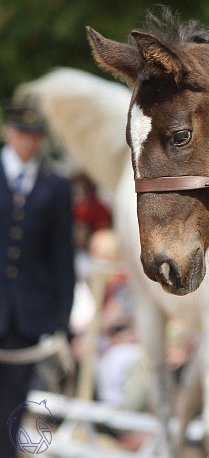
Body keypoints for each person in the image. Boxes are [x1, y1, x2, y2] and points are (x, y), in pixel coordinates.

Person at [0, 103, 74, 458]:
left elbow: (63, 257)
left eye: (35, 135)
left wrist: (61, 320)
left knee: (14, 397)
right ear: (9, 131)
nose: (27, 142)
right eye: (21, 132)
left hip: (27, 313)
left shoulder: (56, 184)